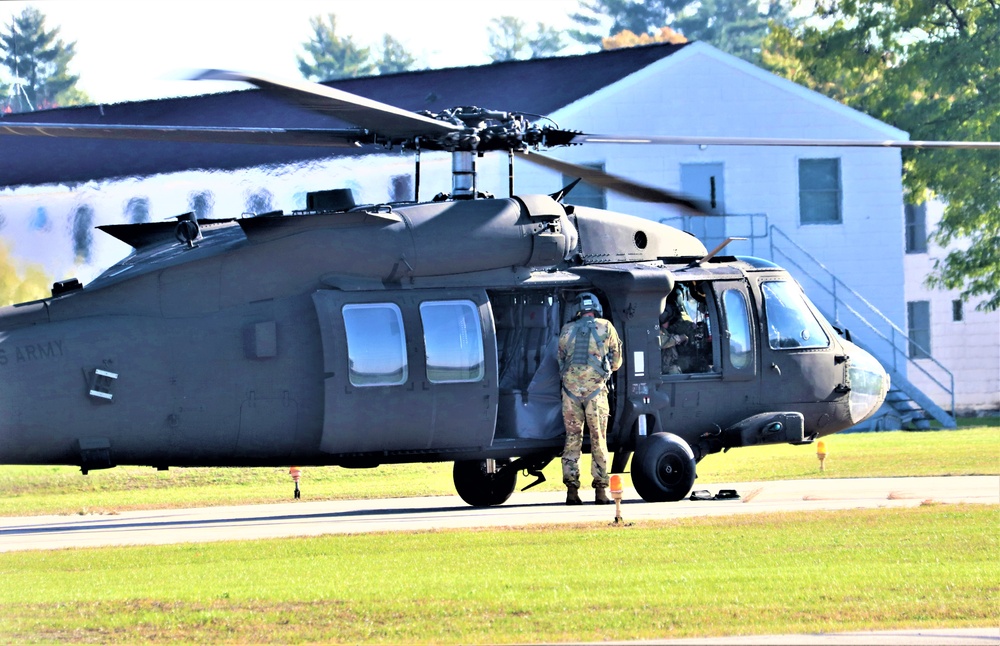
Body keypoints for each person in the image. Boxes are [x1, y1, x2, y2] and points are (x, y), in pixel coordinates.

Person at [557, 292, 623, 505]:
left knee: (572, 439)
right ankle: (601, 492)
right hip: (595, 393)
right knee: (598, 439)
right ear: (596, 308)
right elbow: (617, 360)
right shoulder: (606, 327)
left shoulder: (567, 330)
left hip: (570, 394)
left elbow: (560, 360)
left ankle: (572, 491)